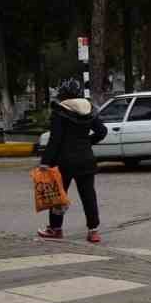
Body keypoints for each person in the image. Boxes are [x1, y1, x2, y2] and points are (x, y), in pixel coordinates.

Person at [36, 78, 108, 243]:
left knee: (58, 196)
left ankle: (55, 229)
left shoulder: (60, 111)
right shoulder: (88, 108)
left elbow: (55, 140)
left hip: (64, 161)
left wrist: (45, 162)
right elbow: (102, 131)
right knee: (89, 195)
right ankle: (93, 231)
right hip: (86, 159)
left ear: (64, 95)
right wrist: (87, 142)